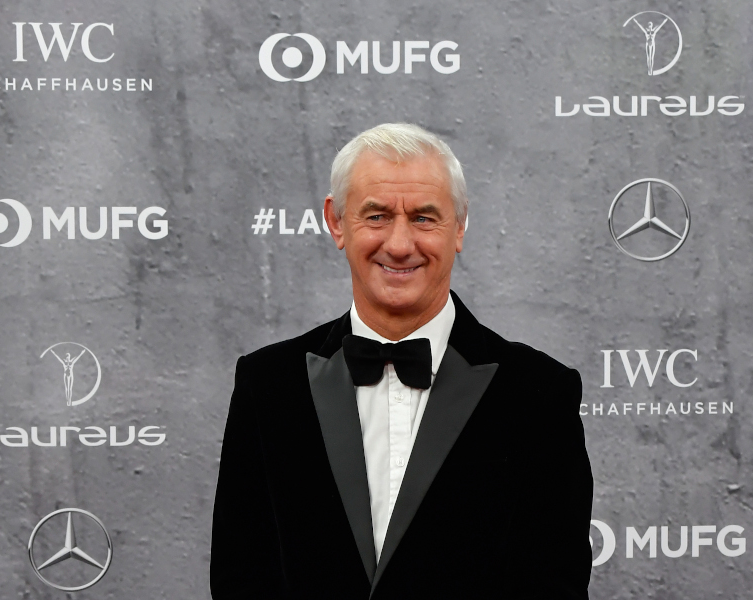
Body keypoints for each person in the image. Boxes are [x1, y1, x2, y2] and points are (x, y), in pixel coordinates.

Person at [211, 123, 593, 599]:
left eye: (424, 218)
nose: (398, 243)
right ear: (336, 222)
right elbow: (241, 580)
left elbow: (553, 587)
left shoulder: (540, 394)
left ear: (460, 225)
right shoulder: (267, 385)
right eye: (376, 216)